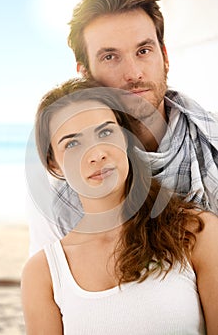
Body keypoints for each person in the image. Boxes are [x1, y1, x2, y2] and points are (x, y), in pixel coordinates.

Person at [27, 0, 218, 255]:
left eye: (143, 51)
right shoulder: (60, 194)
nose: (133, 73)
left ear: (164, 57)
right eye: (110, 57)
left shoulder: (213, 140)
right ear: (85, 74)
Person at [22, 78, 218, 334]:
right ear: (54, 164)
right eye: (72, 143)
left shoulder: (196, 232)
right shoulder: (44, 274)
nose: (96, 153)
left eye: (105, 132)